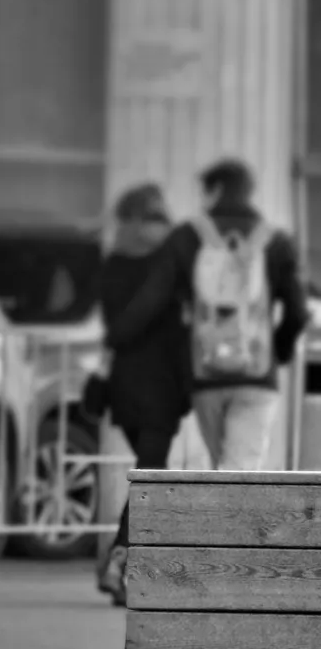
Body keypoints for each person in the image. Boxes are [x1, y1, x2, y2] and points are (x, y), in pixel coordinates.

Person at [106, 159, 309, 472]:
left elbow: (152, 300)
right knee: (239, 470)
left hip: (207, 374)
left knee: (225, 471)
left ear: (215, 190)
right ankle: (231, 505)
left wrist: (115, 337)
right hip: (257, 375)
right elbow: (298, 312)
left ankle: (226, 505)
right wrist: (279, 351)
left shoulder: (187, 237)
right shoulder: (276, 241)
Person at [94, 184, 192, 606]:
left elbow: (112, 321)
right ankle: (119, 562)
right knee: (151, 475)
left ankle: (123, 561)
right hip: (160, 388)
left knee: (149, 472)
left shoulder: (112, 265)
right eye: (157, 216)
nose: (163, 224)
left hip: (124, 387)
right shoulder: (167, 264)